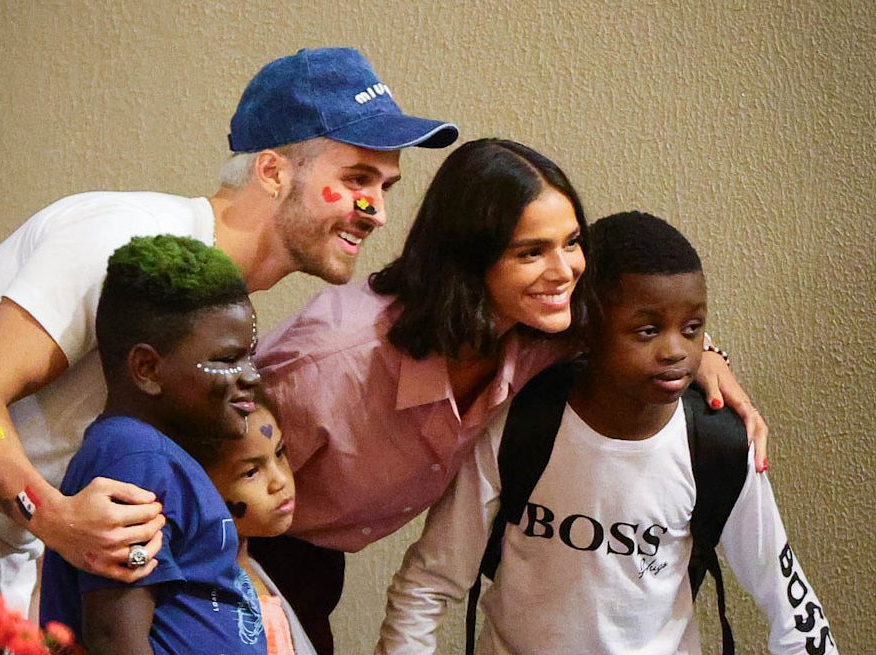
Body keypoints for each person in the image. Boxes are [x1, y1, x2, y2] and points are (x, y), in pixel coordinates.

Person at [0, 46, 458, 653]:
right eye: (355, 180)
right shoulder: (122, 235)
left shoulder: (208, 298)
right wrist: (57, 521)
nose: (376, 211)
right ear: (272, 172)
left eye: (385, 186)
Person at [251, 139, 768, 654]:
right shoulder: (329, 367)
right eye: (531, 252)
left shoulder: (541, 330)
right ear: (468, 260)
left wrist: (707, 357)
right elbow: (206, 483)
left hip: (316, 557)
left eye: (571, 242)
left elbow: (646, 328)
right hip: (238, 545)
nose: (565, 270)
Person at [375, 211, 836, 654]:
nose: (675, 350)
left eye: (692, 328)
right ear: (587, 326)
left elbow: (791, 607)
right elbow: (430, 582)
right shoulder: (518, 422)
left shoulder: (719, 446)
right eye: (647, 330)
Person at [40, 234, 267, 654]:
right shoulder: (134, 459)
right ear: (146, 369)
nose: (251, 375)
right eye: (226, 360)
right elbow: (114, 639)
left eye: (250, 356)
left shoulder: (153, 456)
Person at [205, 399, 317, 655]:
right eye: (251, 472)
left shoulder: (250, 568)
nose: (279, 481)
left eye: (280, 453)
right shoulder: (225, 606)